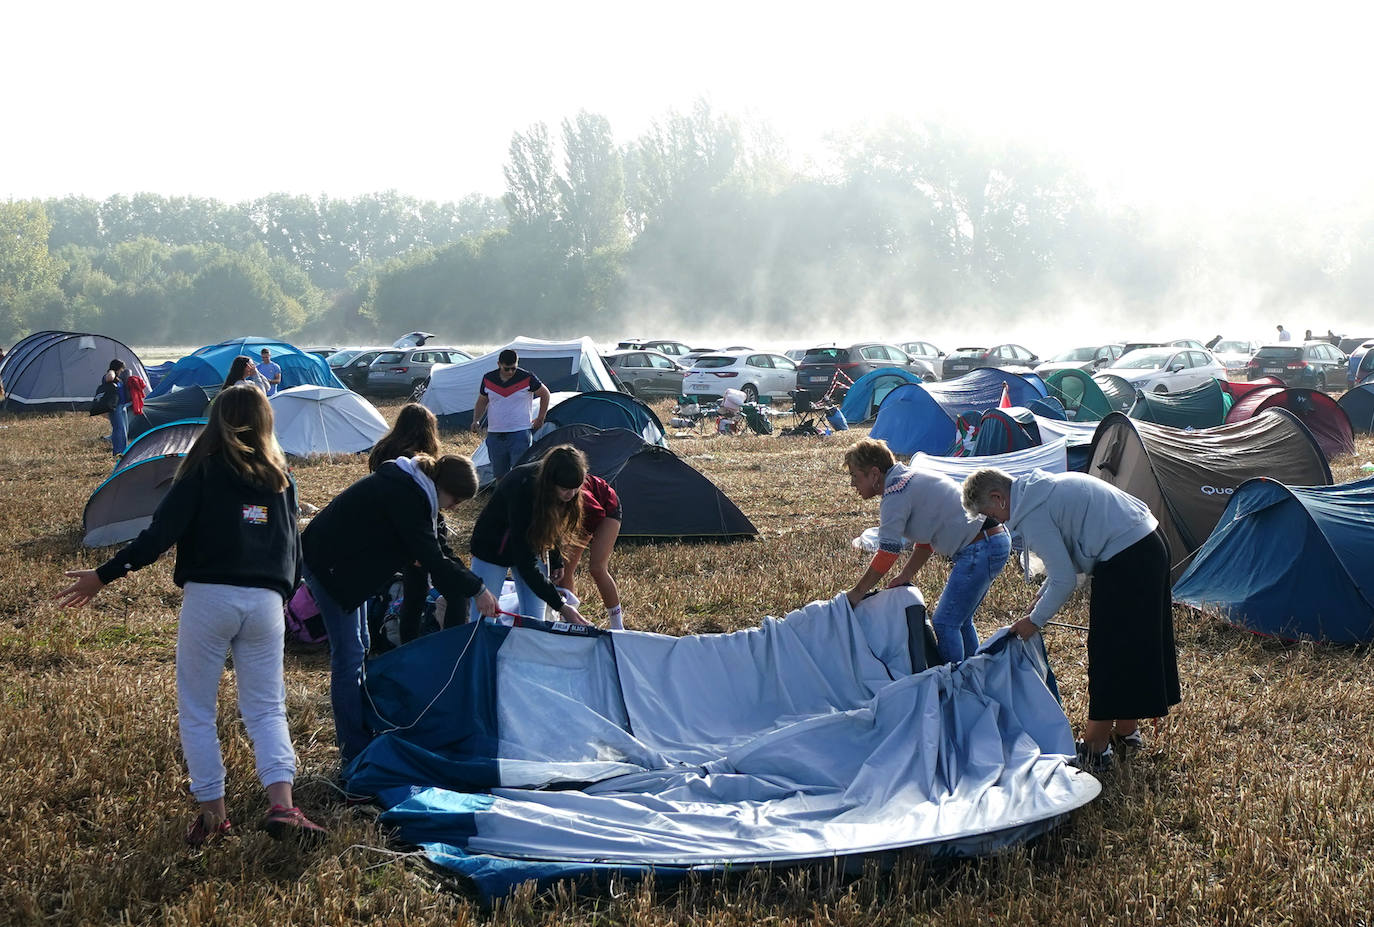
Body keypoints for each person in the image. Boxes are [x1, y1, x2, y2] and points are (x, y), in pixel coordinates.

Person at [53, 387, 327, 846]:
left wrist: (104, 575)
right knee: (266, 709)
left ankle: (214, 816)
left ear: (216, 419)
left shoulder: (201, 470)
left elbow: (158, 536)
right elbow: (294, 549)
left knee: (197, 710)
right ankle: (283, 804)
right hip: (266, 604)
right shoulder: (282, 479)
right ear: (266, 422)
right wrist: (284, 596)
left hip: (211, 597)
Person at [961, 467, 1180, 771]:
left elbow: (1064, 579)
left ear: (998, 498)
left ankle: (1095, 748)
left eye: (991, 515)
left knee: (1107, 653)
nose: (998, 523)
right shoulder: (1040, 489)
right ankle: (1126, 732)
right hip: (1150, 544)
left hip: (1128, 559)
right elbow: (1063, 566)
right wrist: (1041, 595)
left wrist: (1034, 620)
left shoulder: (1031, 513)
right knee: (1132, 647)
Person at [302, 453, 498, 765]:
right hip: (330, 568)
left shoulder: (417, 491)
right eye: (456, 499)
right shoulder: (407, 495)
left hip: (346, 569)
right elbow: (432, 558)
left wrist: (474, 585)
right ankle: (353, 751)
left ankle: (363, 730)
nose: (455, 507)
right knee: (349, 657)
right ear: (443, 487)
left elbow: (437, 550)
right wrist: (478, 590)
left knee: (362, 646)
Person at [843, 438, 1011, 663]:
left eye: (855, 475)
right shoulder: (908, 480)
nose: (853, 484)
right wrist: (905, 576)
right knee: (960, 621)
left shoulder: (895, 494)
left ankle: (954, 684)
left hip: (981, 547)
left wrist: (857, 592)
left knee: (945, 622)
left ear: (874, 474)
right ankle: (975, 674)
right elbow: (926, 540)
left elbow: (887, 553)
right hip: (993, 540)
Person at [468, 445, 591, 625]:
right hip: (491, 547)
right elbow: (524, 562)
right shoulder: (524, 489)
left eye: (576, 488)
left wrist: (556, 559)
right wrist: (561, 606)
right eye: (565, 489)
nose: (571, 494)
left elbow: (553, 524)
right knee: (483, 620)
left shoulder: (565, 491)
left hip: (530, 545)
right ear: (550, 482)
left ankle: (524, 651)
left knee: (535, 619)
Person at [367, 403, 444, 644]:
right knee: (416, 588)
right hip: (408, 529)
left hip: (381, 524)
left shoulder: (383, 450)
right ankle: (409, 640)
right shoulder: (418, 461)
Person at [470, 349, 551, 480]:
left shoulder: (527, 378)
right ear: (498, 364)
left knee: (521, 474)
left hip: (520, 432)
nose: (510, 372)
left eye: (513, 368)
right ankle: (503, 497)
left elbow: (545, 394)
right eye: (506, 369)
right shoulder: (488, 379)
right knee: (499, 475)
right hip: (495, 434)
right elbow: (482, 401)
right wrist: (476, 420)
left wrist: (541, 418)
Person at [558, 474, 625, 629]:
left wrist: (578, 539)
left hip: (605, 508)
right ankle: (569, 619)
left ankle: (618, 626)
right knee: (565, 570)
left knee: (597, 568)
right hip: (582, 514)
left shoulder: (581, 497)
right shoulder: (546, 491)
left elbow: (596, 514)